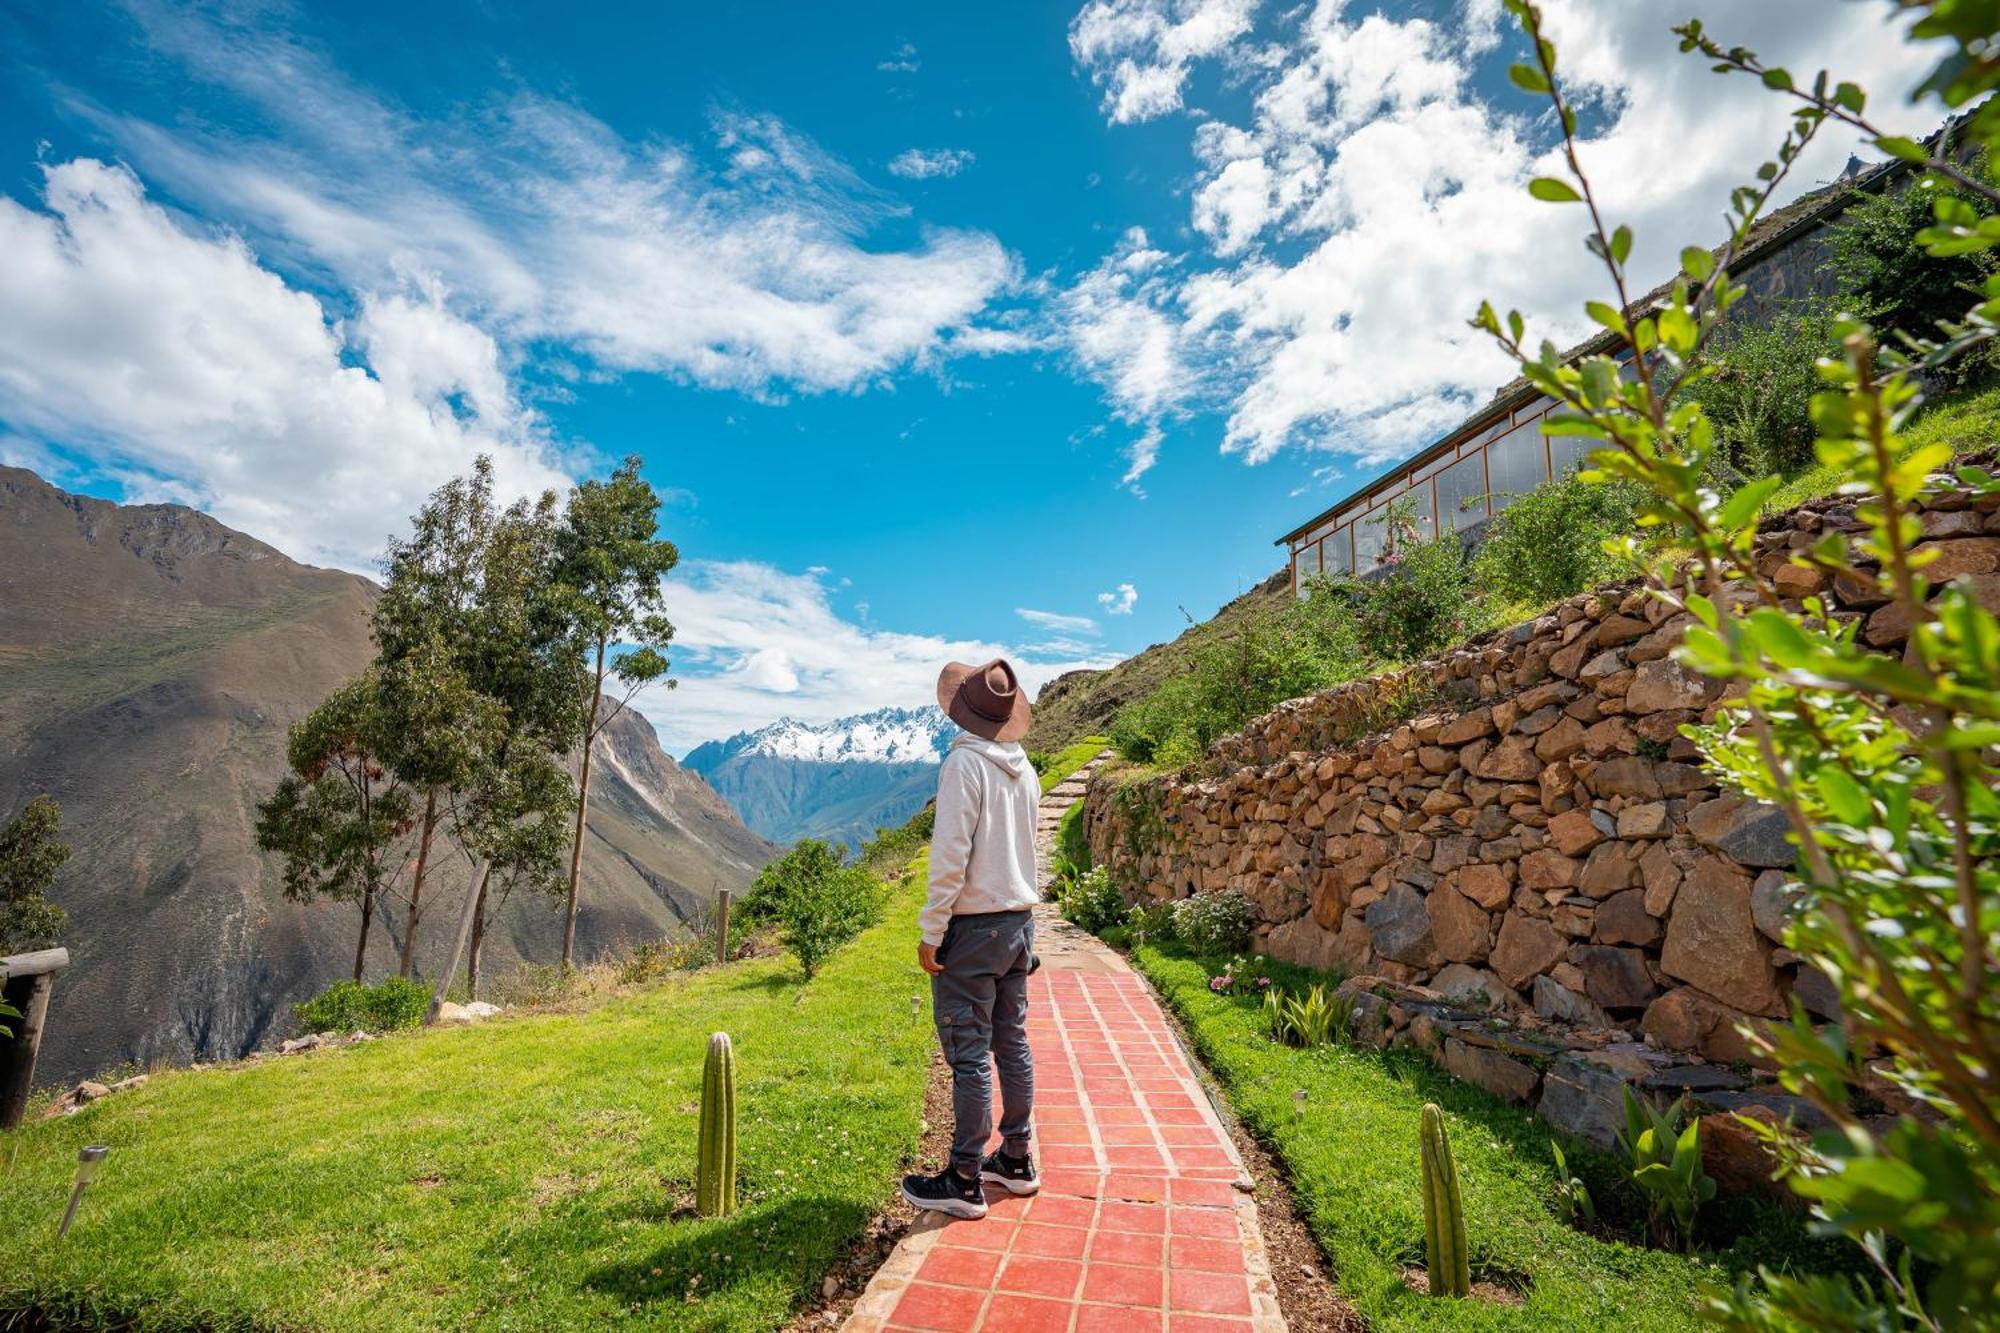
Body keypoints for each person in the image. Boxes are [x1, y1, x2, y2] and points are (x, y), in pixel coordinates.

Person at [899, 657, 1043, 1219]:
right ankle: (1015, 1157)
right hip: (1017, 923)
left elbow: (951, 856)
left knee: (969, 1054)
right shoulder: (1024, 770)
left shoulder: (965, 767)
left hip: (974, 927)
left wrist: (933, 929)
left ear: (963, 710)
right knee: (1012, 1040)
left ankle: (963, 1176)